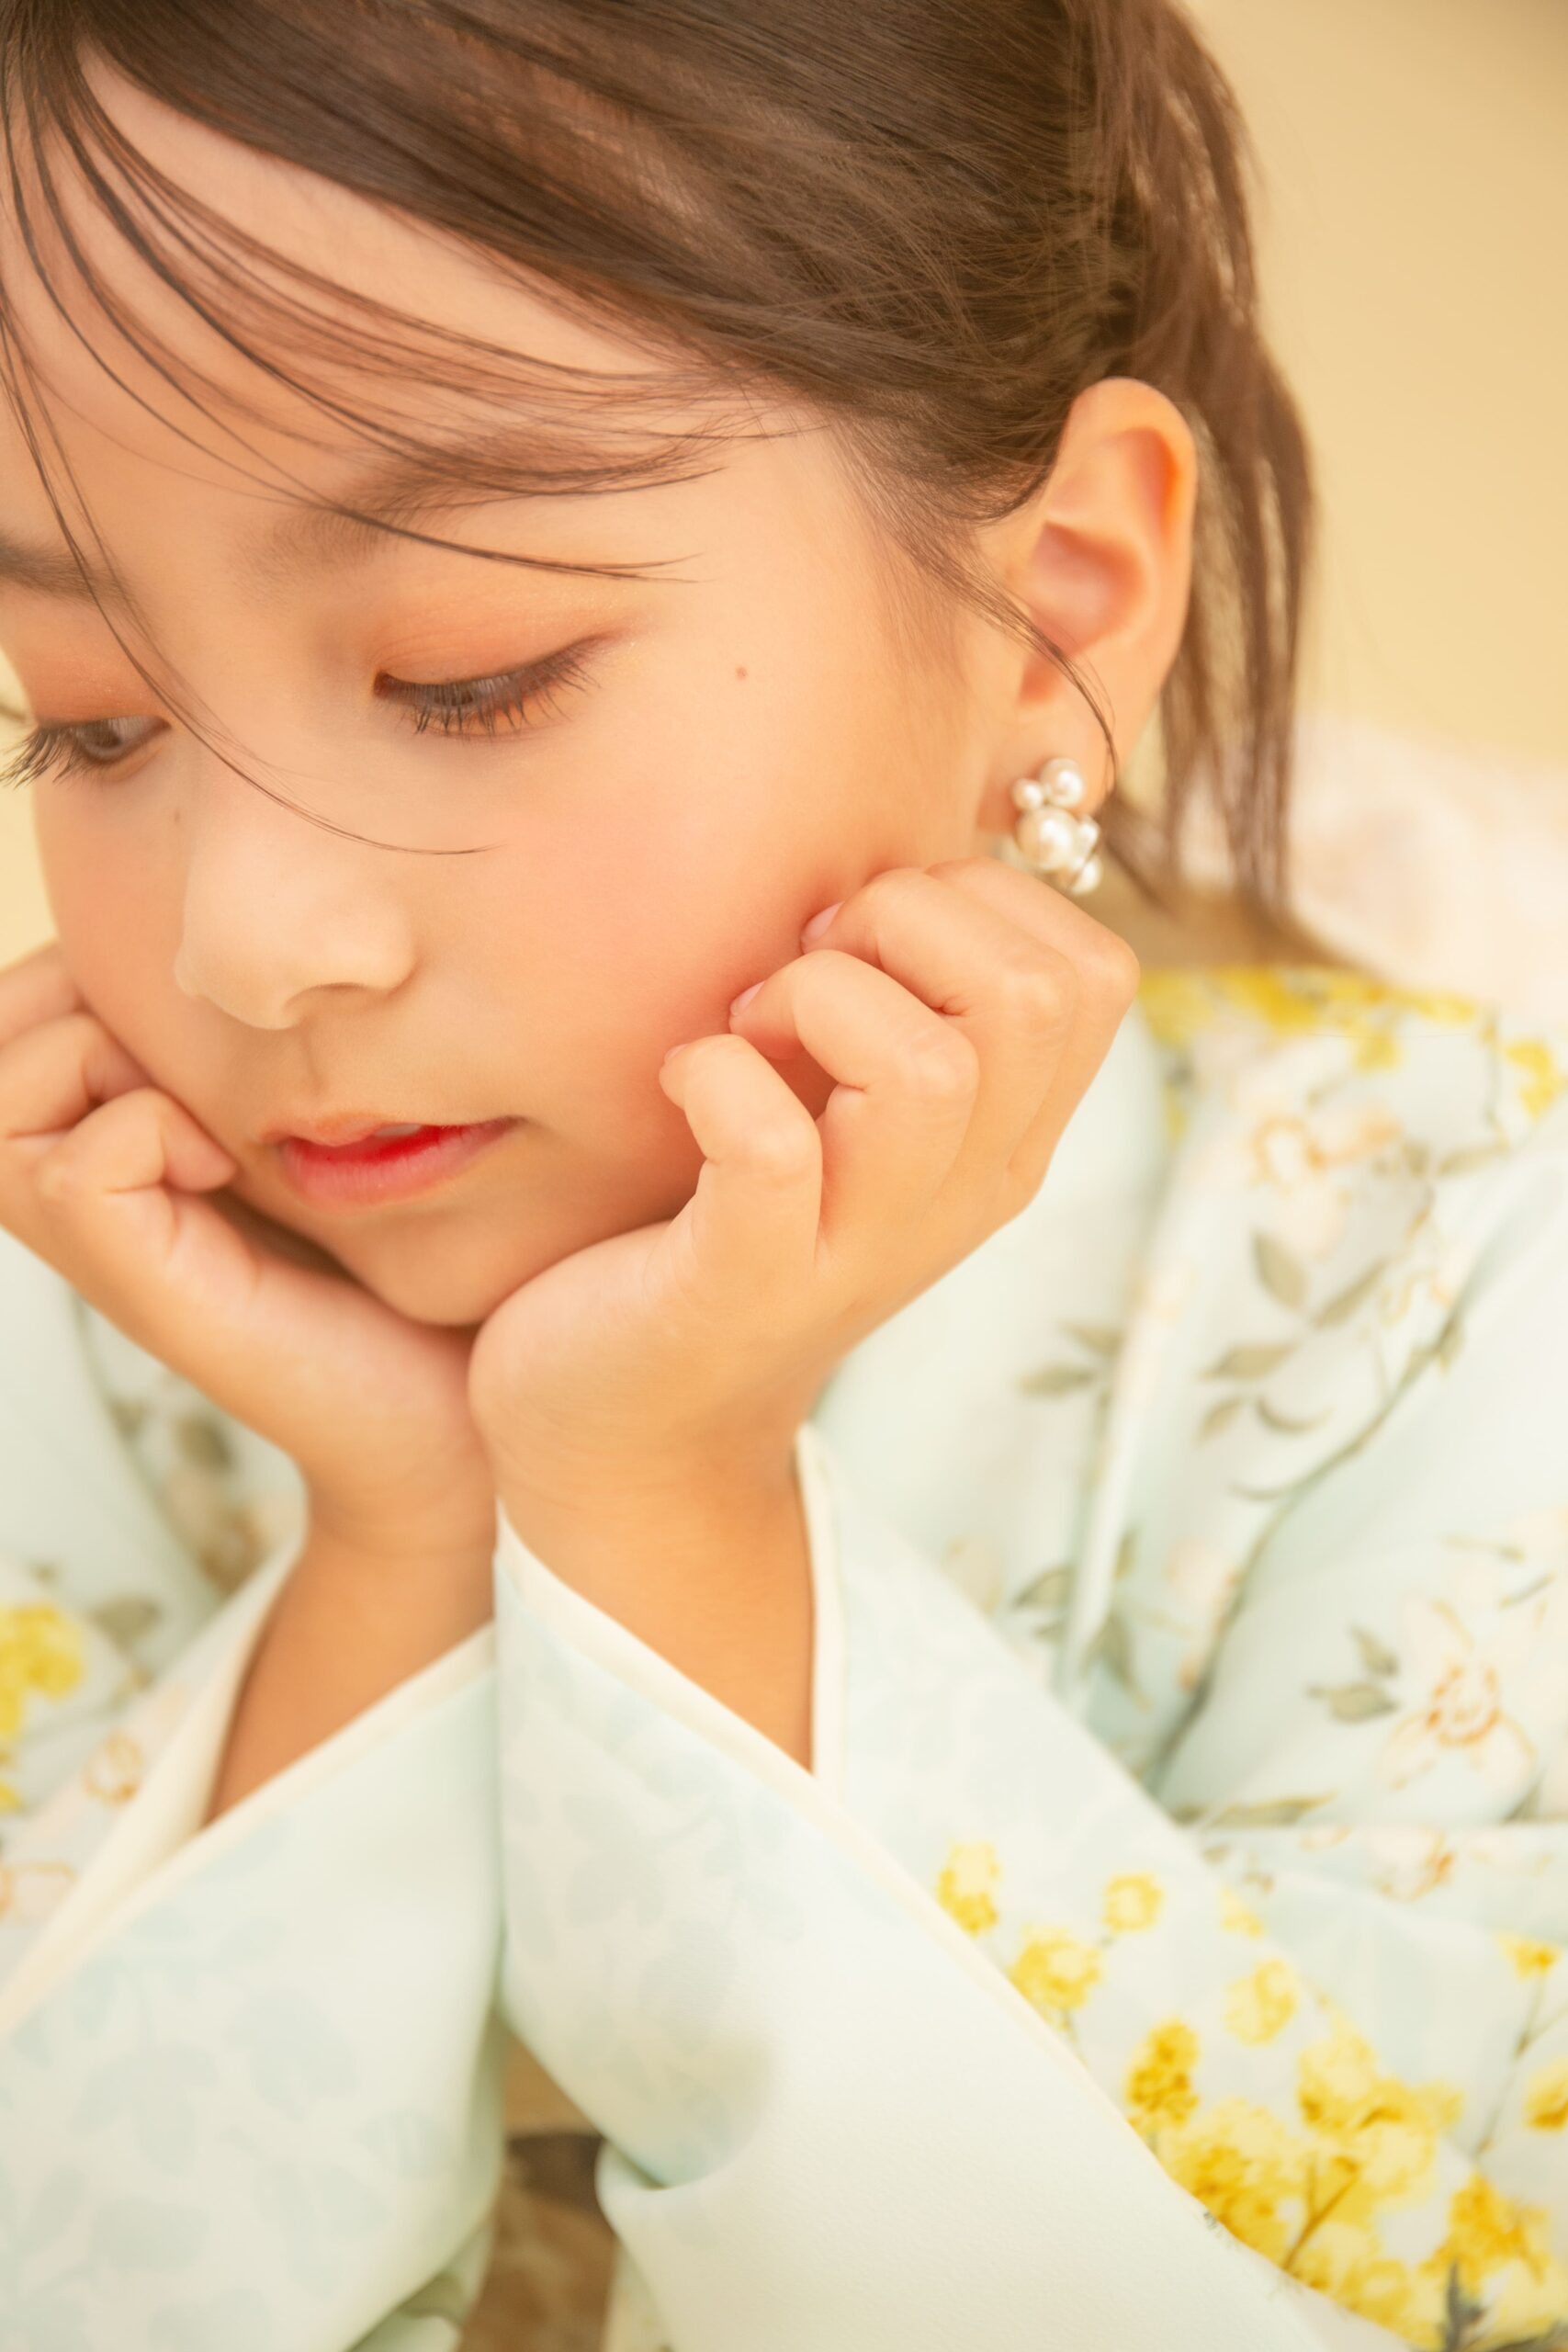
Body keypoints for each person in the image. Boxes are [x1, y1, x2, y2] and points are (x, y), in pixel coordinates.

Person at [0, 4, 1564, 2346]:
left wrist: (663, 1505)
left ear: (1052, 603)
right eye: (89, 722)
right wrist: (395, 1543)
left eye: (463, 675)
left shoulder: (1447, 1266)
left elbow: (1416, 2277)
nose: (248, 941)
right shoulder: (76, 1296)